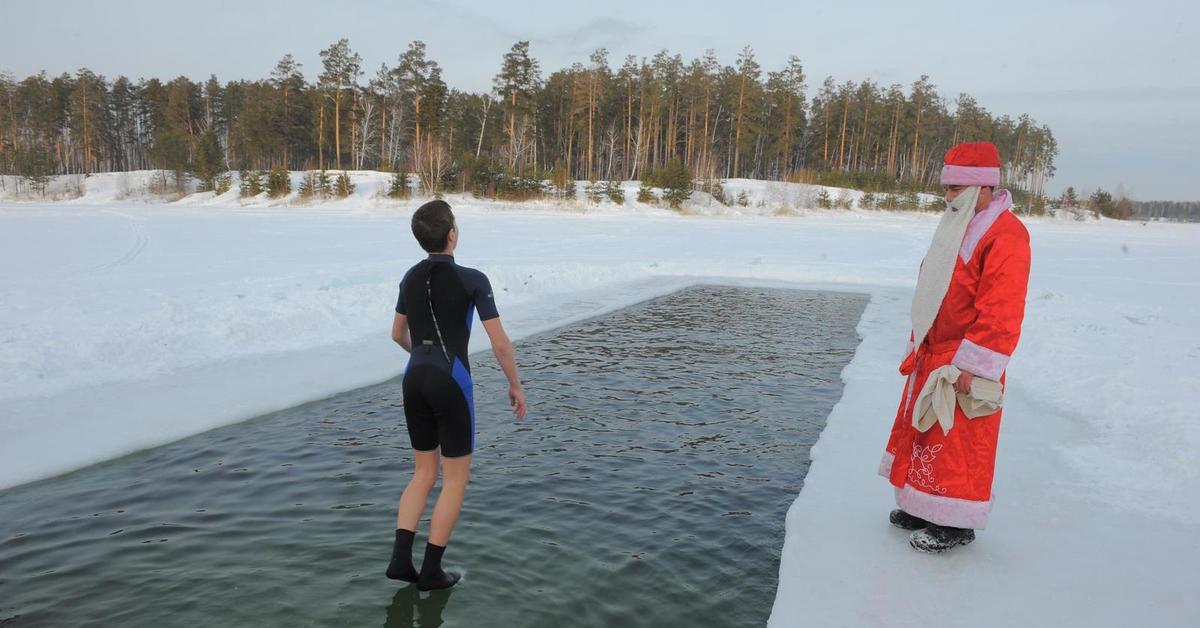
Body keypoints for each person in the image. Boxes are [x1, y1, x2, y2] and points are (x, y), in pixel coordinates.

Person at [879, 142, 1032, 553]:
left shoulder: (1007, 235)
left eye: (956, 188)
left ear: (984, 188)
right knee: (926, 432)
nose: (948, 197)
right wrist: (920, 337)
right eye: (947, 189)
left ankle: (955, 523)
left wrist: (975, 366)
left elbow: (1002, 308)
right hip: (935, 349)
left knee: (960, 441)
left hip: (966, 357)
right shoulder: (957, 224)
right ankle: (921, 505)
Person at [385, 199, 527, 589]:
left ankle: (401, 558)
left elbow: (398, 334)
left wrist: (423, 358)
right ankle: (431, 571)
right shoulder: (472, 279)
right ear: (452, 235)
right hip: (451, 380)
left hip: (414, 377)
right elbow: (500, 344)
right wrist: (514, 384)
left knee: (423, 473)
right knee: (454, 479)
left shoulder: (409, 278)